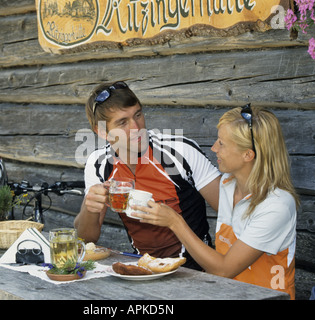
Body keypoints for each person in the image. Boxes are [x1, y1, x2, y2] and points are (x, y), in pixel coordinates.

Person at [132, 104, 299, 299]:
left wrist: (174, 222)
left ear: (248, 155)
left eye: (222, 143)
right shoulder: (227, 184)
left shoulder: (277, 205)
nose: (214, 148)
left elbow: (224, 270)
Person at [74, 81, 221, 270]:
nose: (137, 127)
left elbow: (231, 213)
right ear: (102, 131)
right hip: (143, 268)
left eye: (138, 114)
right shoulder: (98, 163)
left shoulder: (179, 151)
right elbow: (86, 238)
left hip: (196, 271)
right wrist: (90, 207)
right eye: (122, 122)